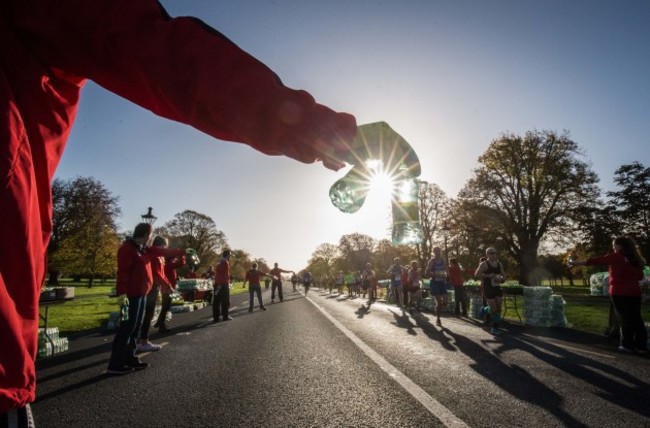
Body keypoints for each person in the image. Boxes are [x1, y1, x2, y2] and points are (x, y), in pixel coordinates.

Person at [1, 0, 372, 418]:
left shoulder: (161, 252)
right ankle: (122, 355)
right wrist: (320, 128)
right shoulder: (136, 250)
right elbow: (169, 58)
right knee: (132, 323)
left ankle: (132, 349)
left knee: (141, 322)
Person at [107, 224, 184, 375]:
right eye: (150, 234)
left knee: (135, 328)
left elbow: (162, 251)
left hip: (142, 294)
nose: (151, 238)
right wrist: (122, 294)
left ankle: (130, 357)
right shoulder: (128, 249)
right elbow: (122, 273)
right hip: (131, 295)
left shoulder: (143, 249)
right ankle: (115, 363)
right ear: (145, 234)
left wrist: (182, 251)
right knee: (126, 329)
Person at [569, 236, 648, 354]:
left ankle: (627, 345)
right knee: (637, 318)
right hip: (634, 293)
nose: (614, 248)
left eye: (614, 245)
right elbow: (640, 277)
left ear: (620, 246)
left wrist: (575, 262)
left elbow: (596, 261)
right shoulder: (635, 259)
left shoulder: (617, 257)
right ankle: (641, 346)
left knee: (625, 319)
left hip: (619, 293)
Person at [137, 236, 170, 352]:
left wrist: (167, 283)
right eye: (166, 245)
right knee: (147, 314)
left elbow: (161, 273)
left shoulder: (160, 256)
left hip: (154, 286)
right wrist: (167, 285)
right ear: (161, 245)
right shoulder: (156, 255)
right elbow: (156, 273)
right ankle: (143, 341)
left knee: (148, 314)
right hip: (151, 287)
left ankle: (142, 340)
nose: (166, 248)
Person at [154, 247, 186, 333]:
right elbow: (181, 263)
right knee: (166, 306)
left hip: (166, 288)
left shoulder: (166, 265)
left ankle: (160, 323)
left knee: (165, 306)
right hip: (168, 288)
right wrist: (182, 255)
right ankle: (160, 324)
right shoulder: (169, 265)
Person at [475, 248, 506, 335]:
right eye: (491, 253)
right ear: (487, 254)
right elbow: (476, 274)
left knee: (499, 308)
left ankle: (485, 311)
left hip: (497, 287)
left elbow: (504, 276)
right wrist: (488, 276)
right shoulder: (484, 264)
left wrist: (502, 279)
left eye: (494, 253)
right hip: (488, 288)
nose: (493, 255)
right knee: (493, 308)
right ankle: (493, 326)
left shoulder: (499, 264)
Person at [425, 247, 449, 327]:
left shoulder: (443, 261)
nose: (438, 253)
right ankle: (438, 319)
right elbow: (427, 272)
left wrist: (447, 275)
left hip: (442, 282)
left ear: (440, 252)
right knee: (439, 302)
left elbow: (447, 270)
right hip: (434, 282)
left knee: (445, 302)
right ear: (434, 252)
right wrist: (434, 274)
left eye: (439, 251)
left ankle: (438, 310)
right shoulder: (432, 261)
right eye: (436, 251)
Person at [213, 250, 233, 322]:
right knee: (226, 301)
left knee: (216, 301)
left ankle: (216, 317)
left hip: (217, 284)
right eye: (230, 255)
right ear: (227, 255)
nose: (230, 256)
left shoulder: (218, 262)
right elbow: (225, 274)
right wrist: (229, 281)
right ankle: (225, 316)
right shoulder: (226, 262)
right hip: (223, 284)